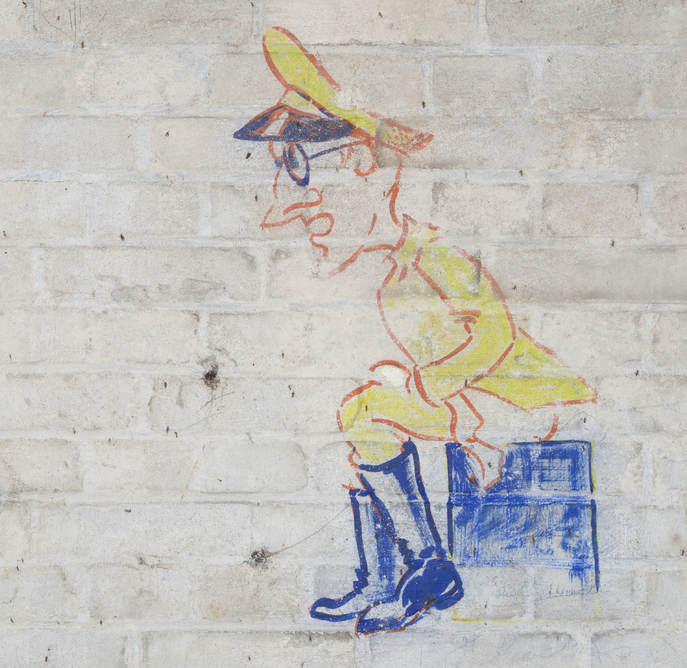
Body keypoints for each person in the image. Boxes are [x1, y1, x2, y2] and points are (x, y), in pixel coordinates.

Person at [233, 27, 597, 635]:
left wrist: (425, 388)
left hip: (528, 405)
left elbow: (495, 336)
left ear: (358, 163)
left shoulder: (432, 256)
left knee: (365, 413)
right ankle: (384, 577)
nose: (289, 201)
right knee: (362, 433)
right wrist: (415, 383)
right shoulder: (392, 275)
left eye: (296, 166)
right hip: (478, 403)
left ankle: (429, 566)